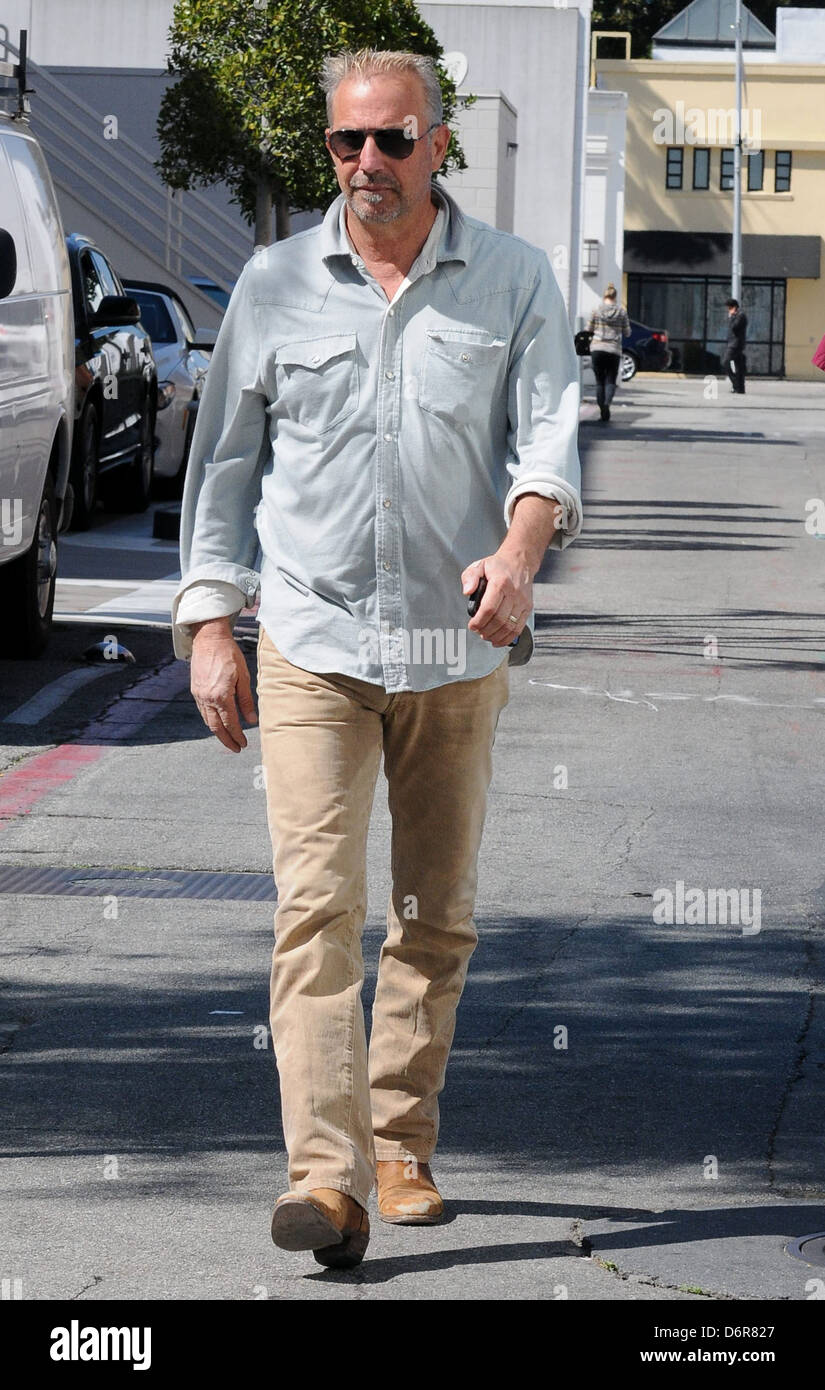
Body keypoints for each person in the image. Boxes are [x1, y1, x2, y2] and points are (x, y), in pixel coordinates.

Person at [171, 48, 582, 1270]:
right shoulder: (275, 282)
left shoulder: (511, 279)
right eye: (347, 143)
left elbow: (546, 435)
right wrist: (209, 624)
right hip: (313, 639)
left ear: (437, 144)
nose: (367, 166)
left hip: (456, 649)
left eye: (392, 141)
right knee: (314, 909)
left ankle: (400, 1142)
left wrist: (517, 556)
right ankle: (325, 1176)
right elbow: (224, 470)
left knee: (431, 914)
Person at [587, 283, 631, 422]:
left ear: (605, 295)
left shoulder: (596, 310)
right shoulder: (622, 312)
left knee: (599, 381)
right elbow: (627, 332)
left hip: (597, 349)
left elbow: (588, 329)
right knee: (611, 380)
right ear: (615, 296)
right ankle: (607, 404)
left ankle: (602, 409)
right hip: (613, 349)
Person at [722, 297, 748, 394]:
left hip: (736, 345)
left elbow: (734, 327)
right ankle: (739, 388)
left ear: (734, 307)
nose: (728, 310)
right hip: (733, 343)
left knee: (726, 362)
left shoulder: (740, 316)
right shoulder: (736, 316)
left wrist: (732, 317)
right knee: (739, 366)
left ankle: (736, 384)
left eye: (729, 308)